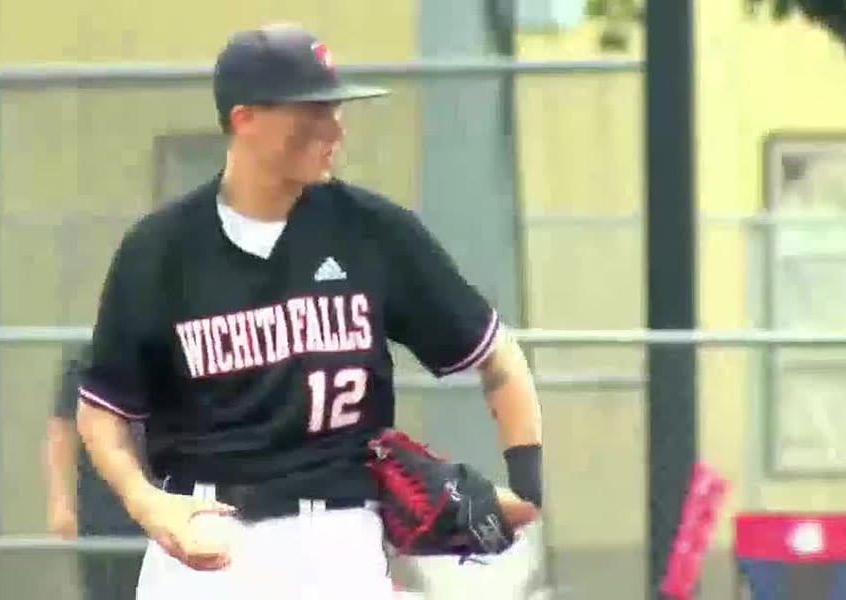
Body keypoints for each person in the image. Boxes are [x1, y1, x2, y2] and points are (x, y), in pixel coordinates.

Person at [75, 22, 545, 599]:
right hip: (205, 539)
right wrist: (147, 503)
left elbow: (497, 356)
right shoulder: (160, 251)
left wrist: (527, 487)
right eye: (311, 112)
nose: (333, 128)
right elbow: (102, 412)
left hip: (337, 539)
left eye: (335, 110)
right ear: (245, 119)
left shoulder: (372, 232)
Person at [44, 342, 146, 599]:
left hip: (163, 510)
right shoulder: (88, 358)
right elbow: (62, 432)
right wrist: (60, 502)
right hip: (102, 513)